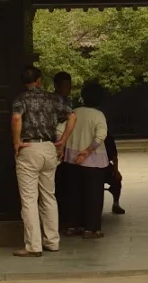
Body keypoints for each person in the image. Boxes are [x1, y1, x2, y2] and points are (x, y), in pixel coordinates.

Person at [10, 65, 76, 257]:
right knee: (49, 196)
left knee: (29, 199)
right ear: (39, 80)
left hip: (29, 148)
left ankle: (33, 245)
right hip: (49, 147)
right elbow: (72, 116)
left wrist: (16, 142)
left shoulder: (21, 99)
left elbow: (16, 118)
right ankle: (52, 241)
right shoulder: (53, 98)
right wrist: (63, 140)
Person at [61, 80, 110, 239]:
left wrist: (62, 147)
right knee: (93, 196)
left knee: (73, 194)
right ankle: (91, 229)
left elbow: (60, 131)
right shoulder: (98, 115)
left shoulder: (73, 112)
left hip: (72, 160)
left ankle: (72, 226)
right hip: (94, 163)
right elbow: (101, 136)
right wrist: (88, 150)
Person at [52, 71, 74, 233]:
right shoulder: (54, 101)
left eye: (69, 85)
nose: (68, 89)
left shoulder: (67, 101)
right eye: (65, 85)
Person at [104, 130, 126, 215]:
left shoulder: (108, 139)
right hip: (90, 166)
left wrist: (116, 171)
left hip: (105, 165)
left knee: (117, 180)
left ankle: (116, 203)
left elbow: (114, 157)